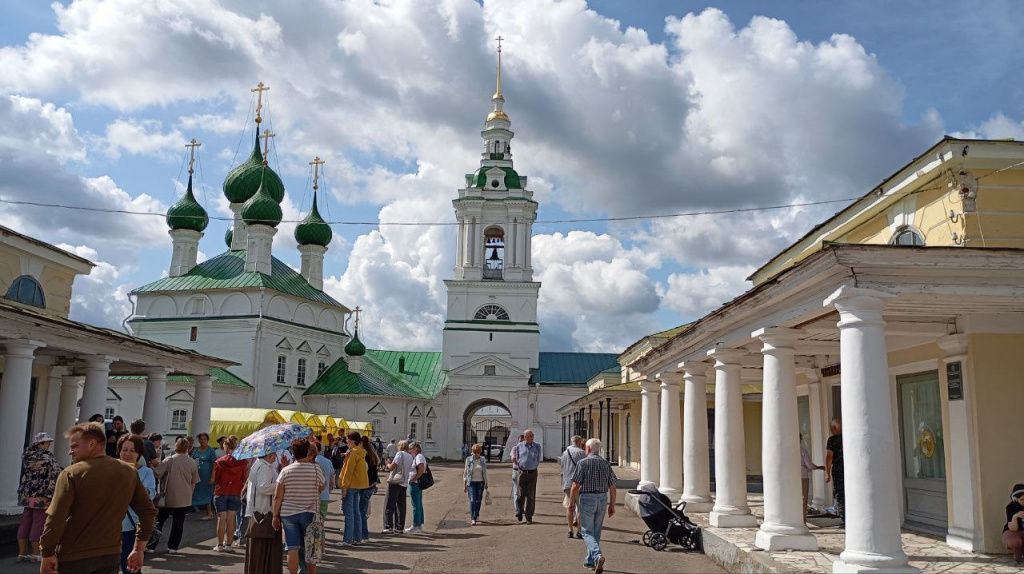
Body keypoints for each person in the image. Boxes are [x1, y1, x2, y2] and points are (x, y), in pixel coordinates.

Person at [39, 422, 156, 574]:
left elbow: (55, 517)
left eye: (74, 446)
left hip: (74, 556)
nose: (70, 451)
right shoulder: (128, 472)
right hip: (109, 555)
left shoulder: (71, 473)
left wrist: (47, 553)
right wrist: (138, 548)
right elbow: (147, 511)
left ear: (92, 444)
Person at [273, 440, 325, 574]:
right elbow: (321, 486)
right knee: (310, 547)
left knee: (292, 548)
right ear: (307, 452)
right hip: (310, 512)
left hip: (288, 513)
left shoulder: (285, 470)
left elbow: (278, 496)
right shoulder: (315, 468)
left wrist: (275, 515)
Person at [568, 438, 617, 574]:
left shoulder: (583, 463)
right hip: (602, 498)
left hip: (587, 498)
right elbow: (613, 486)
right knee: (596, 531)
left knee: (586, 531)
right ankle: (590, 561)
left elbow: (575, 485)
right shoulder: (606, 464)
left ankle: (597, 555)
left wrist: (571, 503)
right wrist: (612, 504)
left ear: (588, 449)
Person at [17, 432, 61, 563]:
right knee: (39, 522)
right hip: (42, 494)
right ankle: (36, 554)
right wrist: (52, 494)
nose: (49, 444)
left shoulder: (27, 456)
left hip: (27, 493)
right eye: (47, 442)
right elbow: (55, 475)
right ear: (40, 443)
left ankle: (21, 553)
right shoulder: (48, 457)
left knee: (25, 521)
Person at [151, 437, 200, 554]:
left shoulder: (169, 460)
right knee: (178, 523)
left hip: (168, 496)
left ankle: (151, 545)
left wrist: (153, 464)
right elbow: (194, 481)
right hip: (185, 497)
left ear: (176, 446)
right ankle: (173, 547)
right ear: (188, 448)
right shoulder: (192, 462)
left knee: (160, 521)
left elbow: (157, 473)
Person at [118, 435, 156, 574]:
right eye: (124, 449)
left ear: (139, 453)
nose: (127, 454)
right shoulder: (112, 469)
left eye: (132, 451)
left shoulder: (146, 472)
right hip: (109, 527)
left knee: (130, 567)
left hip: (132, 526)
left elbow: (150, 494)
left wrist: (133, 488)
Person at [243, 452, 281, 574]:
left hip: (258, 509)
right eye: (274, 454)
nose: (275, 457)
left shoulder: (258, 464)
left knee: (258, 548)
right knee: (262, 546)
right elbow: (263, 487)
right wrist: (280, 486)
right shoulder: (265, 467)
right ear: (269, 455)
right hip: (263, 510)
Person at [212, 435, 247, 552]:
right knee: (231, 519)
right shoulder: (242, 462)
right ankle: (229, 545)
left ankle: (220, 545)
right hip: (235, 492)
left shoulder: (219, 462)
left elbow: (215, 479)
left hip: (221, 491)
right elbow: (244, 478)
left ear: (226, 446)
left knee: (221, 519)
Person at [340, 431, 369, 544]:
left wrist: (344, 486)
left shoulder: (353, 453)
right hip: (358, 485)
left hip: (351, 485)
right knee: (356, 512)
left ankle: (348, 539)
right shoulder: (360, 452)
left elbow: (348, 472)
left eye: (347, 440)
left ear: (352, 440)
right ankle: (357, 537)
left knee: (349, 513)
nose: (346, 441)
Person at [383, 440, 414, 534]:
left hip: (396, 481)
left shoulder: (400, 454)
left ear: (401, 446)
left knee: (389, 504)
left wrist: (387, 464)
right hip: (404, 482)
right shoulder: (410, 456)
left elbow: (392, 467)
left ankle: (388, 526)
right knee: (401, 506)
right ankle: (399, 526)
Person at [511, 430, 542, 524]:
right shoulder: (519, 446)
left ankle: (529, 517)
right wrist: (520, 465)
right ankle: (519, 512)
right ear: (525, 437)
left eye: (532, 436)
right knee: (520, 494)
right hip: (522, 472)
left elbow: (538, 458)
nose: (531, 438)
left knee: (530, 495)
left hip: (532, 473)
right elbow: (515, 459)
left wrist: (533, 465)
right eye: (529, 436)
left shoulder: (537, 446)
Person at [560, 435, 586, 538]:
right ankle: (579, 531)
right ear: (579, 442)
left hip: (567, 483)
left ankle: (570, 530)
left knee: (570, 507)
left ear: (572, 442)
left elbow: (562, 466)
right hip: (579, 483)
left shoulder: (565, 453)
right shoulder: (582, 453)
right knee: (580, 508)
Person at [359, 435, 381, 542]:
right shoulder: (372, 454)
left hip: (366, 485)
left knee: (361, 511)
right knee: (363, 510)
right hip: (371, 485)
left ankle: (364, 535)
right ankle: (362, 533)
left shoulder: (365, 455)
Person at [192, 432, 217, 520]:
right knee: (195, 491)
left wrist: (213, 477)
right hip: (197, 475)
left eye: (204, 439)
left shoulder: (211, 450)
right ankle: (193, 509)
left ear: (207, 440)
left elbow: (215, 464)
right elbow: (192, 460)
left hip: (207, 475)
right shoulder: (195, 450)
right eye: (201, 439)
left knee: (207, 492)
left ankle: (209, 513)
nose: (202, 441)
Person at [800, 437, 825, 522]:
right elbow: (809, 465)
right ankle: (802, 520)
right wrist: (819, 467)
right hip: (802, 476)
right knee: (803, 498)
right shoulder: (802, 451)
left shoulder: (787, 450)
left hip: (789, 477)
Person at [824, 419, 844, 522]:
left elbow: (829, 457)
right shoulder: (849, 436)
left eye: (831, 428)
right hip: (851, 471)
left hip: (838, 471)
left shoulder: (832, 440)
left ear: (834, 428)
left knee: (840, 494)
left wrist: (827, 473)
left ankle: (844, 518)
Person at [406, 441, 428, 533]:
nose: (409, 451)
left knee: (415, 505)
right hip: (416, 483)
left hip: (415, 483)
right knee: (418, 504)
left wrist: (414, 479)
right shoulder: (419, 456)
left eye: (410, 449)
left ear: (415, 449)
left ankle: (416, 525)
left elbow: (421, 468)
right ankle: (419, 524)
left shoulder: (418, 457)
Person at [464, 443, 488, 525]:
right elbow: (465, 473)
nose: (476, 454)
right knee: (472, 500)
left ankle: (477, 514)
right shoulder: (468, 460)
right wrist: (465, 484)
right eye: (475, 452)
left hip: (481, 482)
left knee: (478, 500)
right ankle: (473, 518)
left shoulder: (482, 460)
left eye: (478, 452)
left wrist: (486, 483)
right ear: (472, 452)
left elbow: (485, 472)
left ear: (480, 452)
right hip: (471, 482)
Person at [1003, 483, 1024, 563]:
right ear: (1015, 498)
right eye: (1022, 499)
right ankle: (1018, 554)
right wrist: (1015, 516)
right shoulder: (1011, 507)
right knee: (1014, 541)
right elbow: (1013, 528)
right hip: (1013, 532)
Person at [313, 443, 334, 519]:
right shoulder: (328, 461)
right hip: (324, 494)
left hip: (312, 497)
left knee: (313, 520)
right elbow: (332, 478)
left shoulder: (310, 462)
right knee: (322, 518)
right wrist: (330, 488)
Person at [510, 433, 525, 516]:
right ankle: (517, 509)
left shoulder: (527, 449)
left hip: (524, 472)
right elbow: (513, 458)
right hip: (516, 471)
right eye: (520, 441)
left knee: (523, 492)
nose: (520, 443)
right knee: (516, 491)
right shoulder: (515, 448)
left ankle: (522, 508)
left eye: (522, 441)